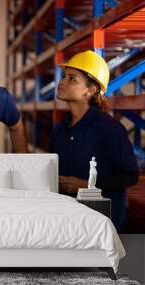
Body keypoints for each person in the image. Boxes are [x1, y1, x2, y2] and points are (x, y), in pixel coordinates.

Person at [51, 50, 139, 231]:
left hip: (102, 224)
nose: (62, 82)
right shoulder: (61, 128)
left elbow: (130, 176)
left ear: (90, 90)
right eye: (64, 76)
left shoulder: (108, 128)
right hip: (68, 222)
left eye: (72, 78)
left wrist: (86, 184)